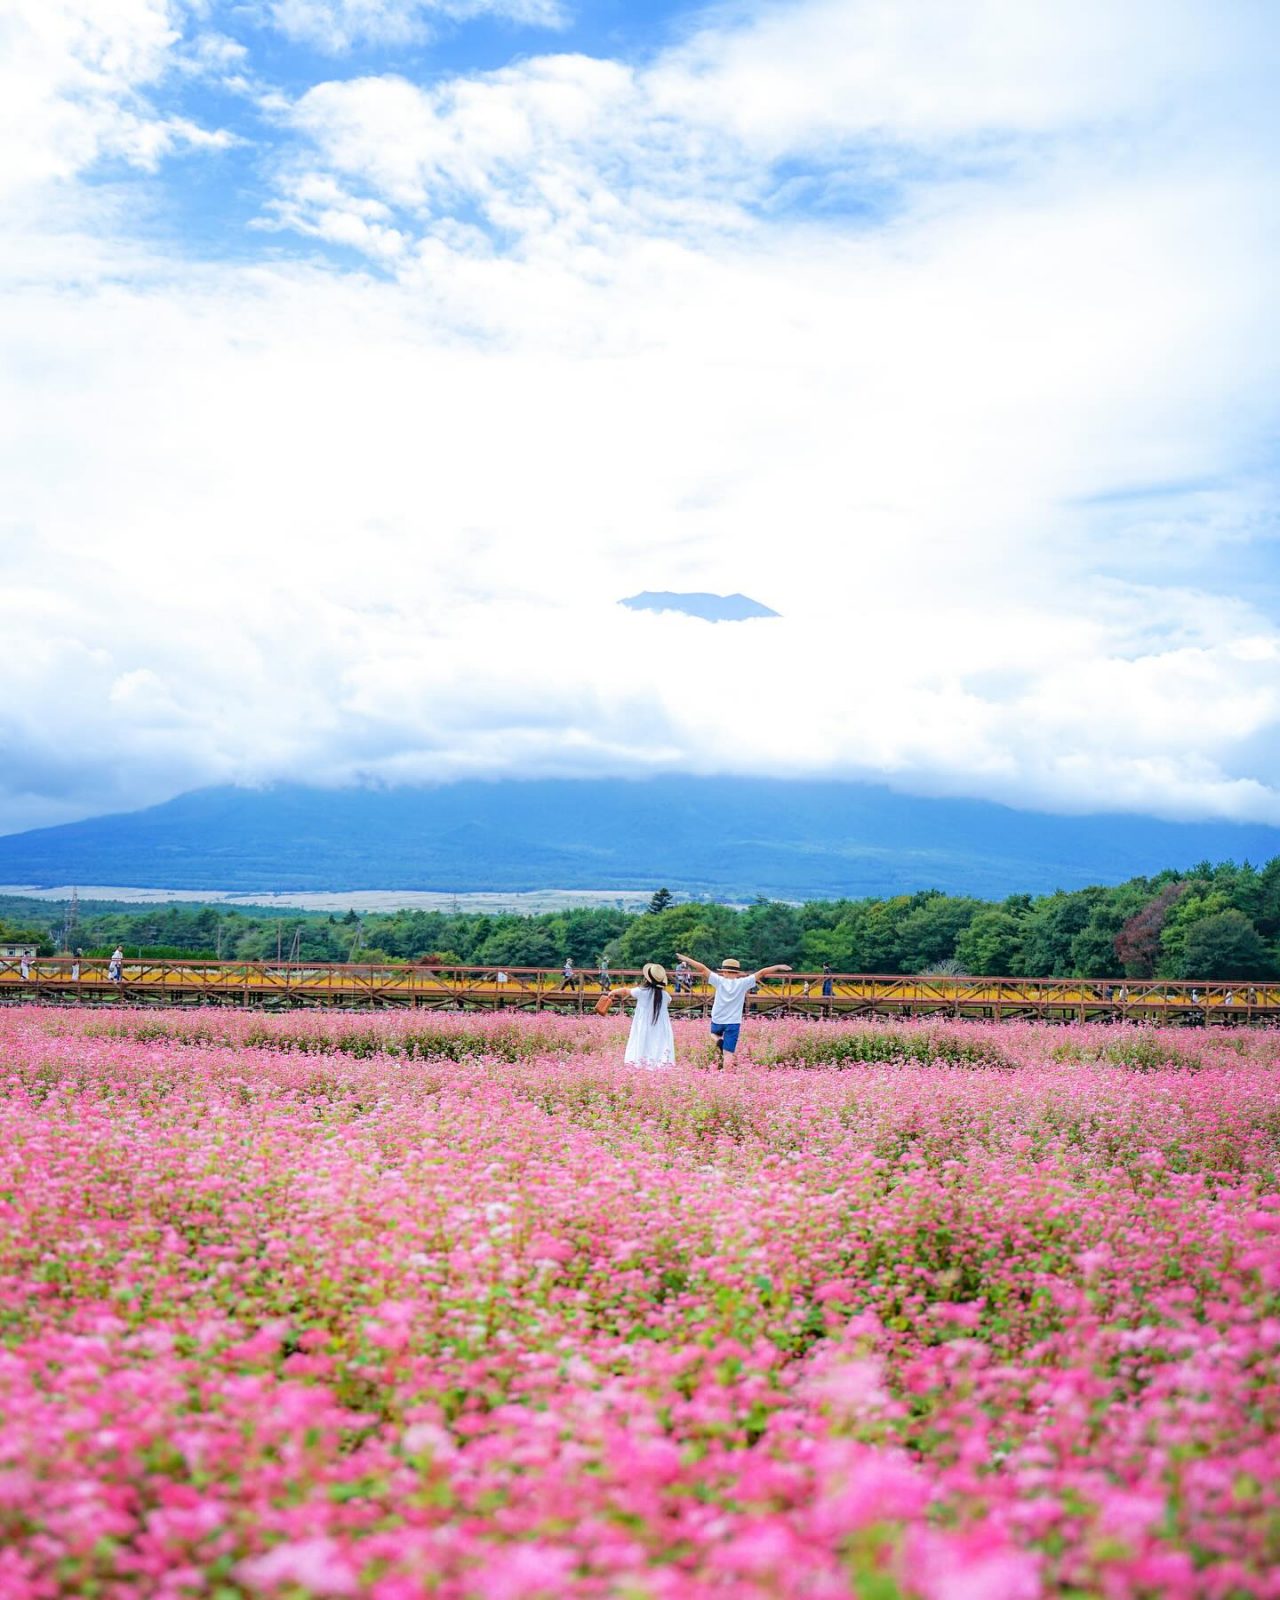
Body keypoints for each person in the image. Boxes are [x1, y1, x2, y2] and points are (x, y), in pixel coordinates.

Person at [676, 952, 793, 1069]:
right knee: (728, 1054)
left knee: (713, 1034)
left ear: (724, 972)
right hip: (733, 1022)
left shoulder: (719, 980)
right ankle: (727, 1075)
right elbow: (762, 972)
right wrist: (778, 966)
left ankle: (718, 1041)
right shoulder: (743, 983)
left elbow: (702, 968)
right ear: (737, 973)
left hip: (718, 1019)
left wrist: (687, 959)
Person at [599, 962, 675, 1068]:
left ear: (647, 979)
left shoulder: (641, 991)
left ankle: (642, 1066)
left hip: (644, 1025)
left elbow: (625, 991)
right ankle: (659, 1067)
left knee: (644, 1045)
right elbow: (668, 1001)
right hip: (661, 1028)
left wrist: (613, 992)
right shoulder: (665, 995)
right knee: (659, 1046)